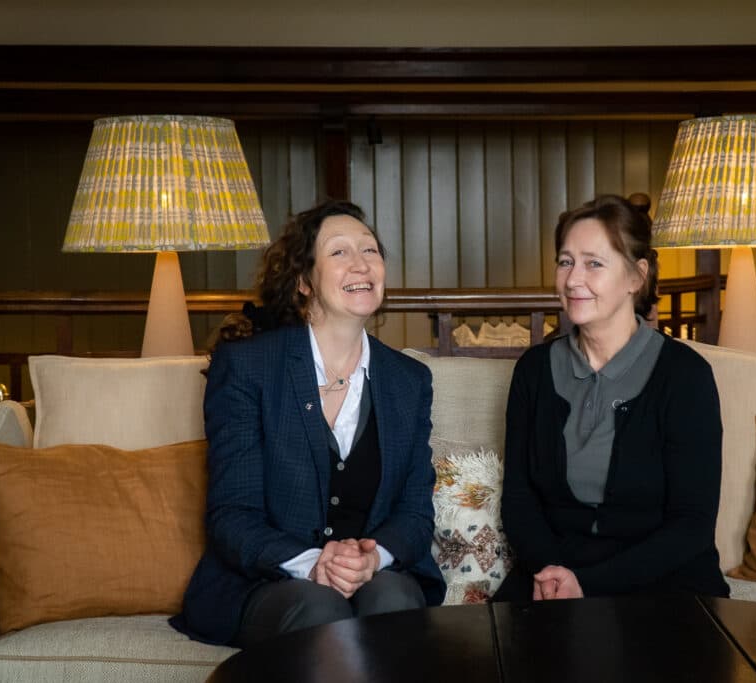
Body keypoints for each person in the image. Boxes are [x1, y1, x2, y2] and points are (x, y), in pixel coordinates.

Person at [172, 200, 444, 647]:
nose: (361, 263)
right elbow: (232, 516)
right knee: (322, 608)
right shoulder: (247, 368)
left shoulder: (409, 381)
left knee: (393, 598)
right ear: (303, 280)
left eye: (370, 250)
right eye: (339, 252)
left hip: (376, 577)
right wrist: (314, 563)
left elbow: (415, 514)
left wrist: (371, 560)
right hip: (267, 581)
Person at [493, 194, 728, 603]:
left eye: (593, 263)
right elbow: (518, 498)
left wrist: (590, 585)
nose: (572, 279)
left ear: (637, 277)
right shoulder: (533, 371)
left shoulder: (685, 376)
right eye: (565, 261)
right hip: (555, 572)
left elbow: (692, 524)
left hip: (664, 579)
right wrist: (552, 573)